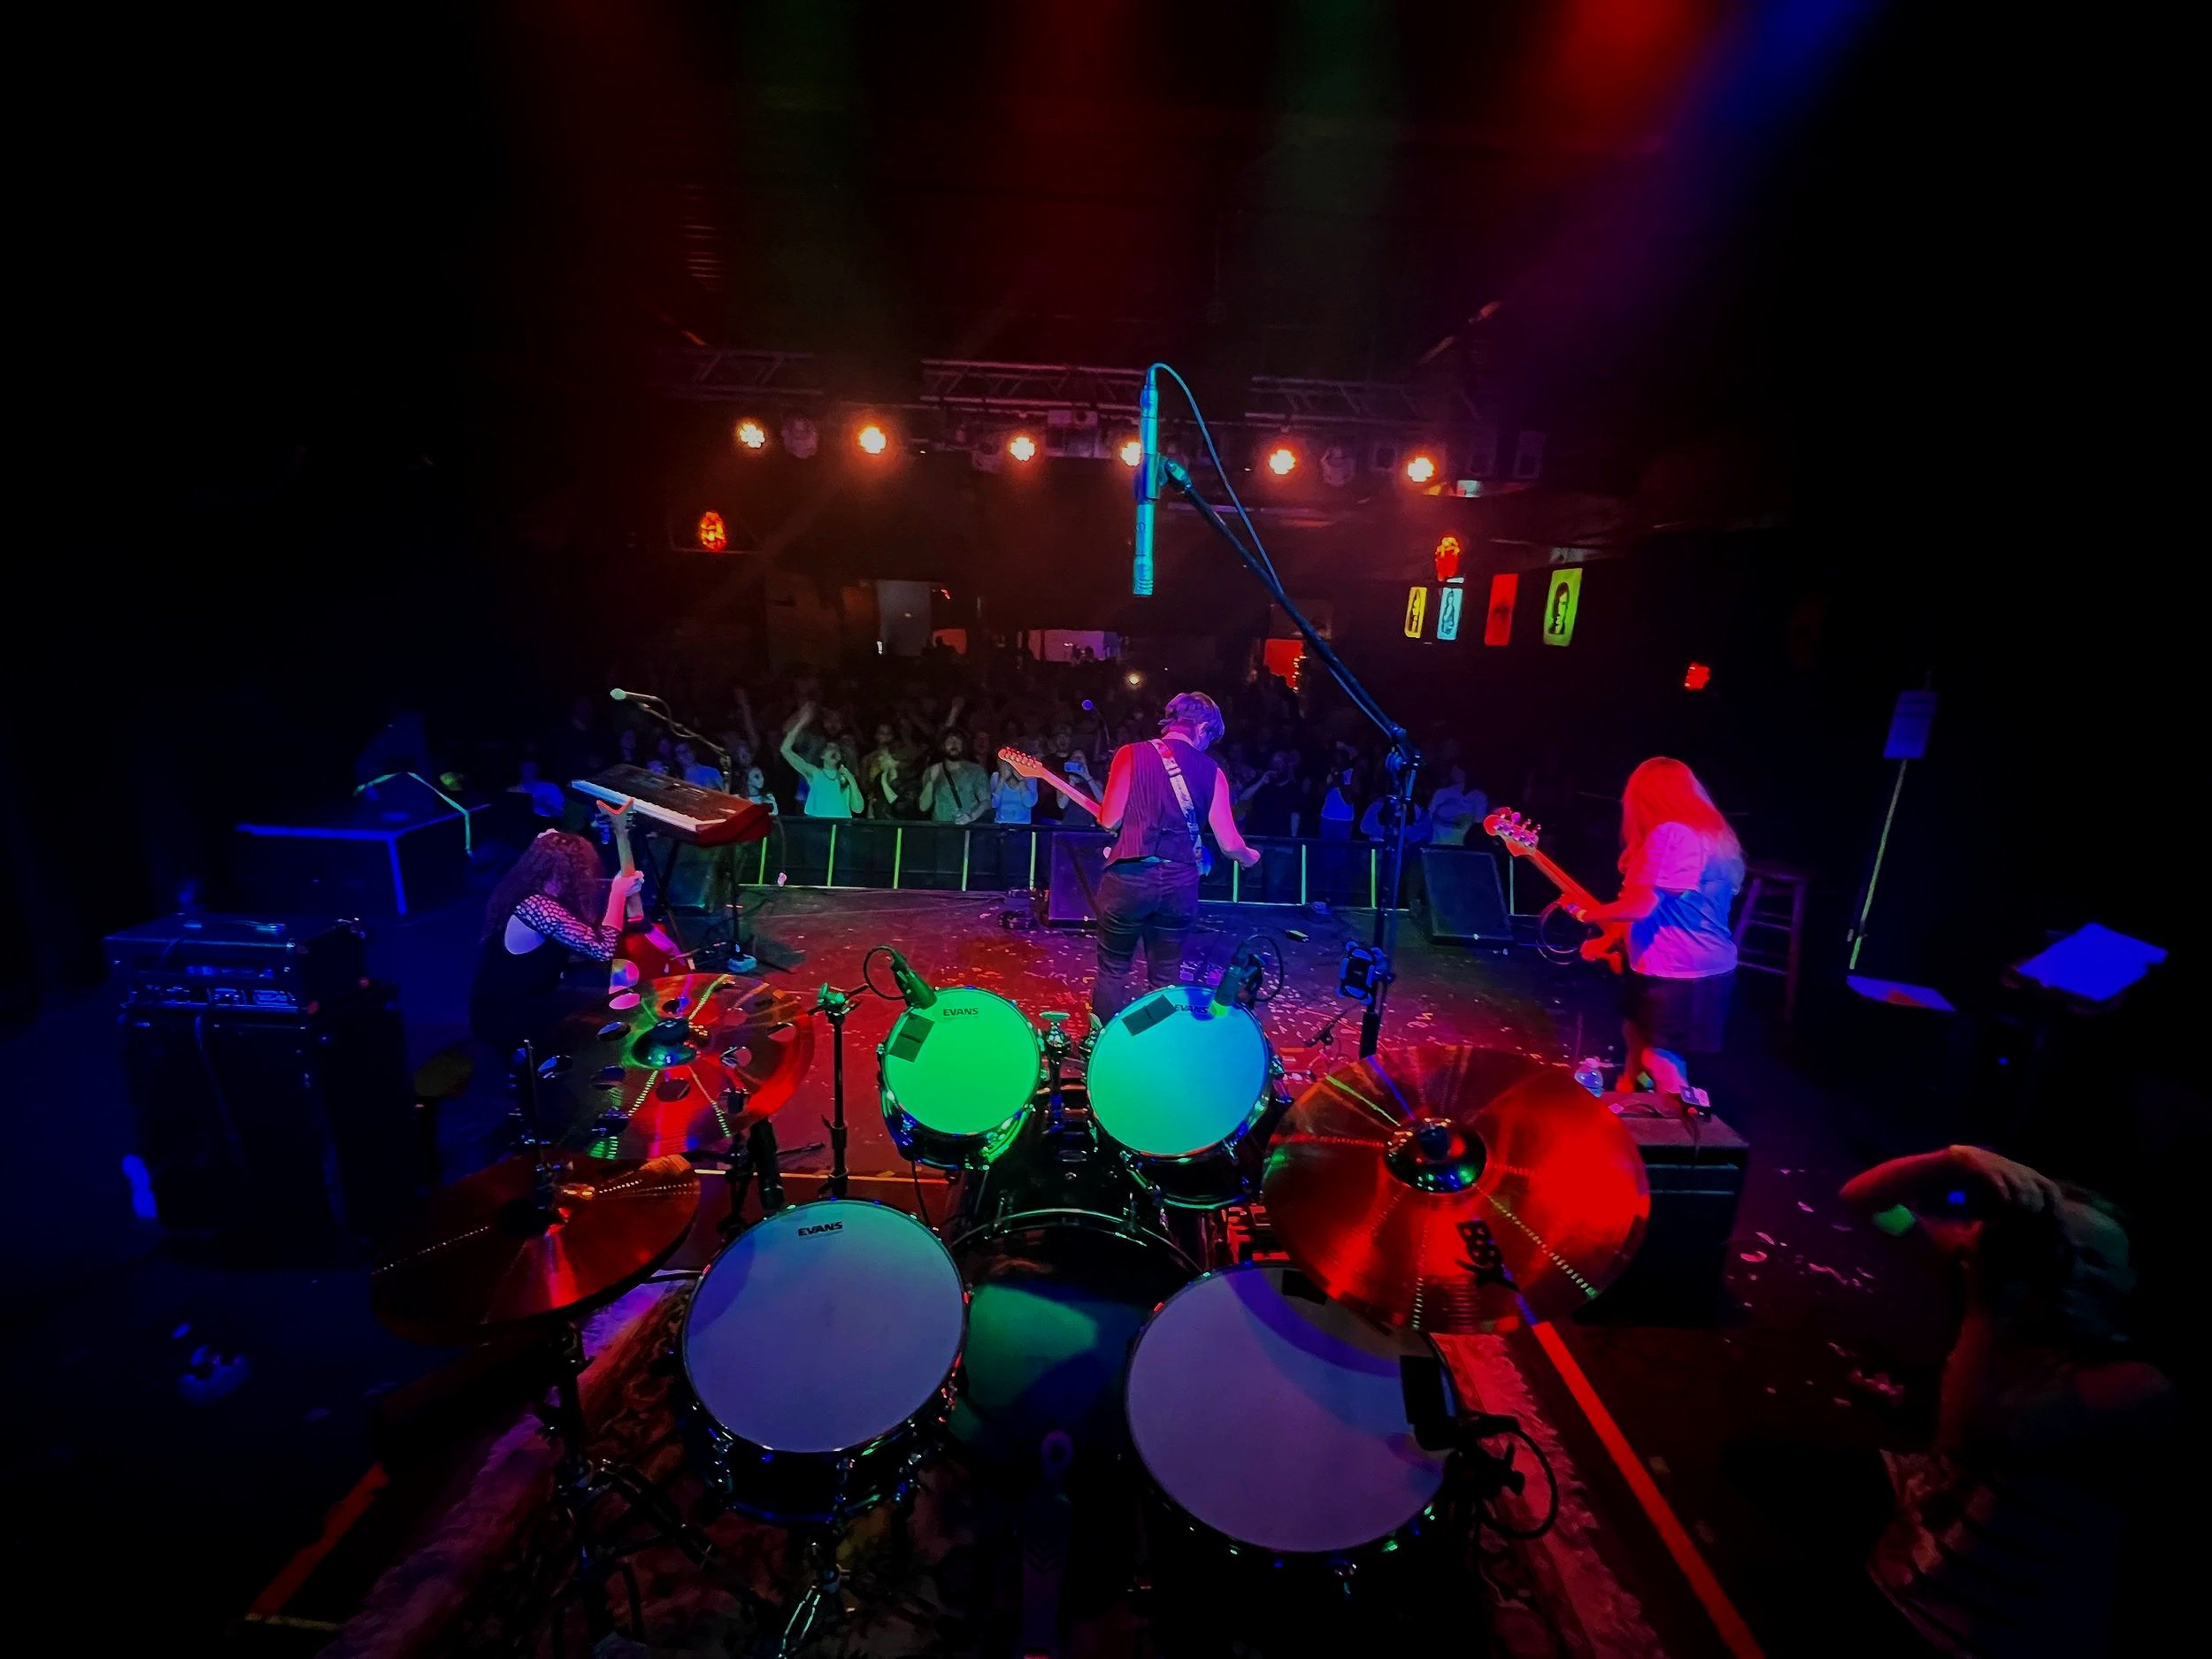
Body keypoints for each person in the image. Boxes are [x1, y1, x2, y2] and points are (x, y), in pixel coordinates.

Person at [1833, 1144, 2174, 1657]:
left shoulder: (2138, 1384)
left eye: (2096, 1261)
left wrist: (1987, 1295)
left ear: (2134, 1281)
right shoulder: (2010, 1301)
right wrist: (1950, 1161)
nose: (2074, 1272)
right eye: (2058, 1252)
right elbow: (1867, 1202)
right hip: (1920, 1545)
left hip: (1975, 1626)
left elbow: (1970, 1436)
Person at [1568, 757, 1742, 1101]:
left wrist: (1586, 914)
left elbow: (1642, 906)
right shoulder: (1711, 834)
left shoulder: (1673, 834)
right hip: (1682, 966)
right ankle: (1629, 1100)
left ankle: (1682, 1125)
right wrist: (1610, 938)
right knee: (1634, 1031)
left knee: (1660, 1058)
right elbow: (1660, 909)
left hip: (1680, 970)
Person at [1091, 691, 1261, 1024]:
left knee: (1113, 970)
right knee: (1165, 978)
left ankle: (1101, 1045)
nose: (1207, 746)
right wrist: (1251, 856)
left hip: (1129, 877)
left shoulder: (1130, 754)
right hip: (1179, 884)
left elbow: (1109, 819)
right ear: (1203, 727)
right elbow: (1230, 844)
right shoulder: (1213, 772)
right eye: (1210, 738)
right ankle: (1145, 1036)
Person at [469, 818, 642, 1055]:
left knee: (615, 987)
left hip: (522, 998)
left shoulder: (530, 893)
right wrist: (617, 894)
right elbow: (602, 950)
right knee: (610, 1010)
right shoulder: (537, 906)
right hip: (508, 1012)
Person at [780, 702, 863, 818]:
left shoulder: (845, 777)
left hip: (841, 826)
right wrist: (802, 722)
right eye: (830, 748)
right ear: (822, 755)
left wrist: (851, 779)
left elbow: (858, 809)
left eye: (837, 750)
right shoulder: (815, 773)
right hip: (818, 826)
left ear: (840, 757)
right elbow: (785, 749)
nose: (834, 751)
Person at [918, 731, 989, 825]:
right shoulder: (932, 770)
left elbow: (986, 801)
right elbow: (923, 807)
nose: (954, 744)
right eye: (950, 741)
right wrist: (931, 781)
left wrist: (970, 817)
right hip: (942, 828)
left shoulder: (975, 770)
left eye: (958, 741)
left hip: (968, 829)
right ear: (943, 745)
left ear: (963, 745)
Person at [1238, 749, 1307, 837]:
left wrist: (1293, 839)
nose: (1276, 766)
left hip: (1281, 838)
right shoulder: (1261, 783)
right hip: (1258, 837)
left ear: (1287, 766)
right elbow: (1242, 799)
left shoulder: (1293, 789)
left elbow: (1295, 815)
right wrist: (1261, 782)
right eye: (1273, 762)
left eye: (1280, 762)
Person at [1427, 764, 1487, 847]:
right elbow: (1429, 815)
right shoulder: (1442, 793)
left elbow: (1478, 823)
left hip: (1462, 845)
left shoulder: (1479, 797)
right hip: (1438, 843)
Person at [990, 753, 1038, 824]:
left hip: (1022, 825)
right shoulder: (995, 777)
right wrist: (1002, 780)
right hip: (1000, 825)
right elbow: (993, 804)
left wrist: (1021, 781)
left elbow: (1029, 803)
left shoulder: (1030, 778)